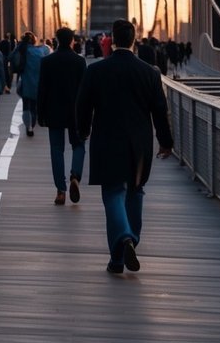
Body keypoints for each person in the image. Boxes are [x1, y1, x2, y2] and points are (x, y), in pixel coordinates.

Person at [75, 18, 174, 274]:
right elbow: (160, 112)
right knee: (135, 191)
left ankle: (123, 245)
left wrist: (83, 131)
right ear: (134, 40)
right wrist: (165, 142)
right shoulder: (149, 73)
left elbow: (83, 106)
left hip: (106, 140)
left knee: (112, 194)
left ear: (112, 39)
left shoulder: (95, 71)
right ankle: (121, 253)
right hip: (139, 143)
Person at [36, 27, 86, 206]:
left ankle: (60, 191)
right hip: (76, 112)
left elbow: (42, 90)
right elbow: (84, 91)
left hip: (54, 111)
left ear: (56, 40)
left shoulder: (47, 61)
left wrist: (39, 114)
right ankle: (75, 176)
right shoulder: (80, 62)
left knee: (57, 150)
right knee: (79, 145)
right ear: (72, 40)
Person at [18, 32, 50, 137]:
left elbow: (11, 58)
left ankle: (28, 126)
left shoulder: (22, 50)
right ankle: (32, 124)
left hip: (25, 83)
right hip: (37, 83)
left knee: (25, 107)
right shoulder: (40, 52)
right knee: (34, 107)